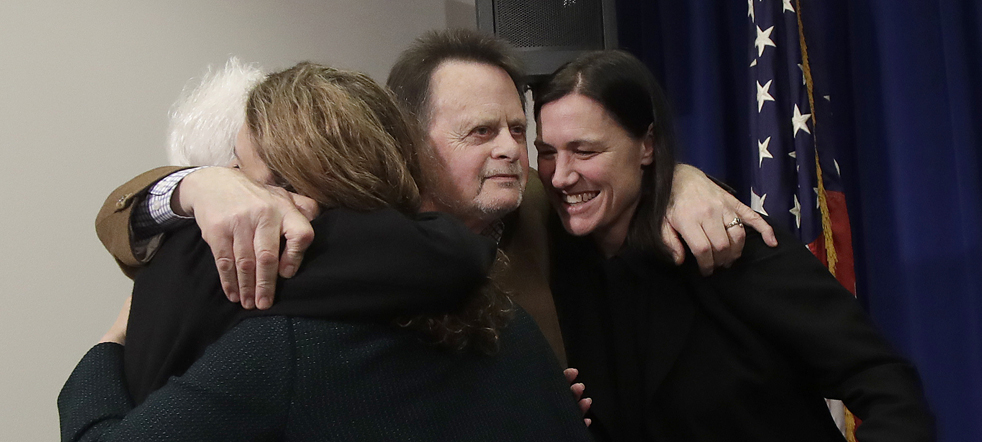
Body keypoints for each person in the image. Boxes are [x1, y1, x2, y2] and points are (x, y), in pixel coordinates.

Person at [59, 63, 633, 442]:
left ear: (290, 195)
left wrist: (109, 344)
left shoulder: (287, 347)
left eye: (242, 174)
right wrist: (196, 186)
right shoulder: (503, 313)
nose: (232, 188)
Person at [94, 29, 778, 369]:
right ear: (409, 142)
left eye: (517, 129)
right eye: (481, 132)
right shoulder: (351, 219)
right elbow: (119, 225)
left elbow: (618, 175)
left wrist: (681, 182)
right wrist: (194, 184)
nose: (511, 150)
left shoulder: (538, 203)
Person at [533, 50, 935, 442]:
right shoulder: (556, 267)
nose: (561, 176)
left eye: (585, 151)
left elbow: (887, 383)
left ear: (647, 145)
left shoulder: (730, 247)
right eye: (547, 152)